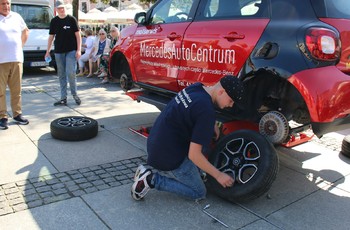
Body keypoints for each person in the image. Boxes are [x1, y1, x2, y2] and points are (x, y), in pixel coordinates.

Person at [131, 75, 245, 201]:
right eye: (231, 101)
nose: (231, 105)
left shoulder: (197, 88)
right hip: (167, 157)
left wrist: (211, 124)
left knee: (205, 140)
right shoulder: (206, 112)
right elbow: (194, 155)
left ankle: (195, 172)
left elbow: (193, 109)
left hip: (156, 142)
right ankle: (150, 179)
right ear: (221, 91)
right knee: (199, 192)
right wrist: (218, 175)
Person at [44, 0, 81, 106]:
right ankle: (63, 98)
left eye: (62, 8)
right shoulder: (54, 21)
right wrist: (48, 51)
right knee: (61, 74)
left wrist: (78, 50)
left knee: (71, 72)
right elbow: (51, 37)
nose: (61, 9)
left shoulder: (71, 19)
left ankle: (75, 95)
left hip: (71, 50)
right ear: (56, 9)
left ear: (65, 8)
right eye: (59, 8)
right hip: (59, 51)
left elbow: (78, 36)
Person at [0, 0, 30, 130]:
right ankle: (2, 117)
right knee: (0, 91)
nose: (6, 6)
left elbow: (25, 31)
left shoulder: (17, 16)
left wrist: (19, 46)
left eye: (8, 3)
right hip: (1, 61)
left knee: (16, 91)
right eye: (3, 3)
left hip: (16, 59)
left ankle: (17, 114)